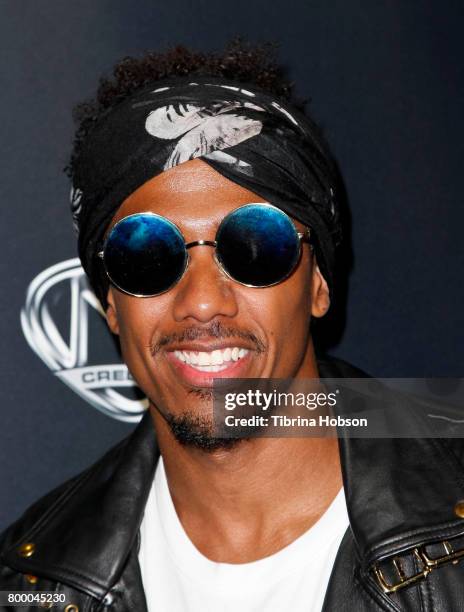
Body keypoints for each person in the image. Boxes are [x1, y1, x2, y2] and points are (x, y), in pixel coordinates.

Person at [1, 41, 464, 612]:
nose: (201, 302)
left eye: (254, 246)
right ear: (111, 305)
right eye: (147, 254)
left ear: (318, 282)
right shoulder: (32, 585)